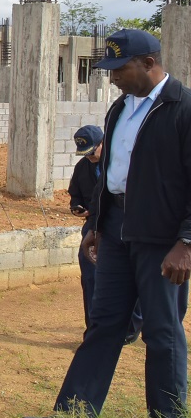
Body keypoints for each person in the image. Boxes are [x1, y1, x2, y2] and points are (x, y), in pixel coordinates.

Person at [24, 30, 191, 418]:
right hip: (116, 229)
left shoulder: (183, 108)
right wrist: (97, 224)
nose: (113, 78)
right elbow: (110, 175)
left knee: (162, 331)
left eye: (120, 69)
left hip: (161, 237)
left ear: (149, 64)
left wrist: (186, 242)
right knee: (104, 324)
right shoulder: (119, 108)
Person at [68, 124, 142, 341]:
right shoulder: (82, 168)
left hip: (123, 224)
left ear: (103, 143)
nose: (89, 157)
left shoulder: (120, 164)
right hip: (94, 226)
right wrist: (77, 207)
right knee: (91, 276)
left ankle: (131, 328)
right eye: (85, 154)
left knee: (132, 276)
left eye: (92, 152)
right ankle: (94, 329)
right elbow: (75, 194)